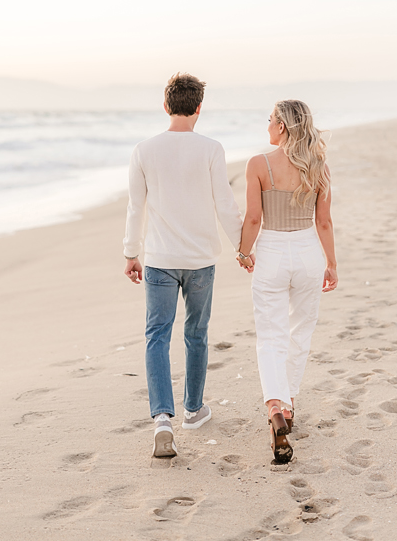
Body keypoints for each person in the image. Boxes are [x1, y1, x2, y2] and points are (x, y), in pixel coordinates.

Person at [123, 72, 247, 458]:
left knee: (157, 335)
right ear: (198, 108)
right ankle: (193, 410)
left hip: (159, 260)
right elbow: (225, 204)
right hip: (200, 260)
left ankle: (162, 418)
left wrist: (131, 252)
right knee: (196, 332)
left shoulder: (144, 150)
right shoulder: (210, 148)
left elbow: (135, 207)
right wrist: (243, 248)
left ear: (166, 106)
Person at [237, 100, 337, 463]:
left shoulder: (259, 164)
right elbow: (324, 222)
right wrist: (332, 264)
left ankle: (275, 404)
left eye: (270, 120)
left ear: (281, 126)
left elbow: (252, 218)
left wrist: (243, 252)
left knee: (270, 333)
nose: (267, 126)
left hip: (272, 254)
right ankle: (290, 402)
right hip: (309, 251)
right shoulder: (318, 166)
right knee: (301, 328)